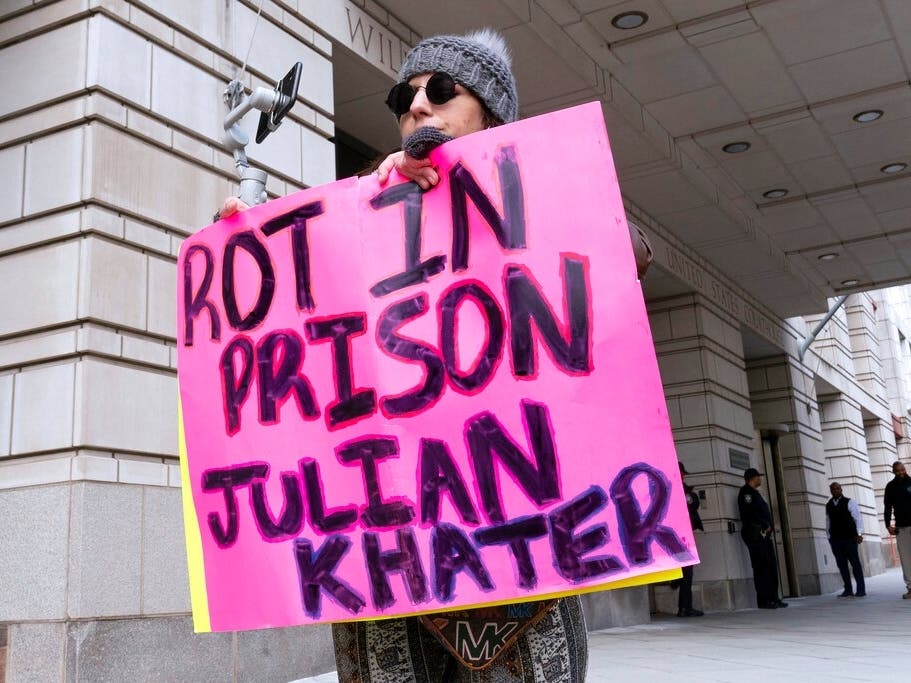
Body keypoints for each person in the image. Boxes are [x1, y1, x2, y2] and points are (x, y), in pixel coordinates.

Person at [218, 27, 654, 682]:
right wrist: (247, 253)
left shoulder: (543, 194)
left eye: (443, 91)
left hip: (511, 559)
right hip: (384, 558)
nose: (418, 106)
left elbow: (629, 252)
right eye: (405, 96)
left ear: (492, 114)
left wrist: (480, 186)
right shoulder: (364, 209)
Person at [737, 467, 787, 609]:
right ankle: (764, 600)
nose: (760, 479)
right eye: (759, 476)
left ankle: (774, 597)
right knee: (761, 567)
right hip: (755, 535)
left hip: (764, 536)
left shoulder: (755, 493)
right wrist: (765, 524)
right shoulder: (746, 493)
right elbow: (750, 513)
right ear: (753, 478)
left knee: (770, 566)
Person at [825, 482, 865, 597]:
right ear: (831, 491)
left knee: (855, 563)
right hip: (836, 540)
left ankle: (861, 589)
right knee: (842, 565)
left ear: (841, 490)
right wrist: (829, 536)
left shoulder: (850, 502)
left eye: (838, 488)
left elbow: (857, 518)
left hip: (850, 538)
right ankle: (848, 589)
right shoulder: (828, 505)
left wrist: (859, 533)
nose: (836, 491)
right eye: (833, 489)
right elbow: (828, 522)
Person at [676, 461, 704, 617]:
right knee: (686, 573)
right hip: (681, 537)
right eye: (682, 473)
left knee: (687, 573)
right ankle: (685, 607)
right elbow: (692, 502)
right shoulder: (676, 487)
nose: (684, 475)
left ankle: (685, 606)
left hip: (683, 536)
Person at [884, 460, 911, 599]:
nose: (901, 472)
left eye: (902, 470)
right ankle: (910, 588)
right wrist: (888, 524)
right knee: (906, 559)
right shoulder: (890, 487)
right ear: (893, 471)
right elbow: (887, 506)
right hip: (901, 527)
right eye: (898, 471)